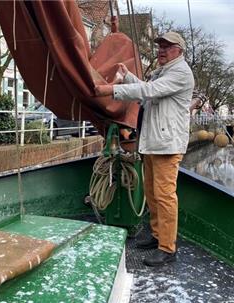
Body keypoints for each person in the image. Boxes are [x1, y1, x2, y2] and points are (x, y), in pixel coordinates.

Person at [95, 31, 195, 267]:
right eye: (159, 45)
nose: (161, 50)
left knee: (165, 197)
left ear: (178, 51)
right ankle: (157, 235)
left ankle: (167, 247)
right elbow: (146, 87)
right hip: (153, 143)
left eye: (167, 47)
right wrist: (127, 75)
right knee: (152, 193)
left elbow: (149, 91)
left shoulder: (180, 73)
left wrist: (110, 90)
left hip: (167, 145)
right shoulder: (163, 72)